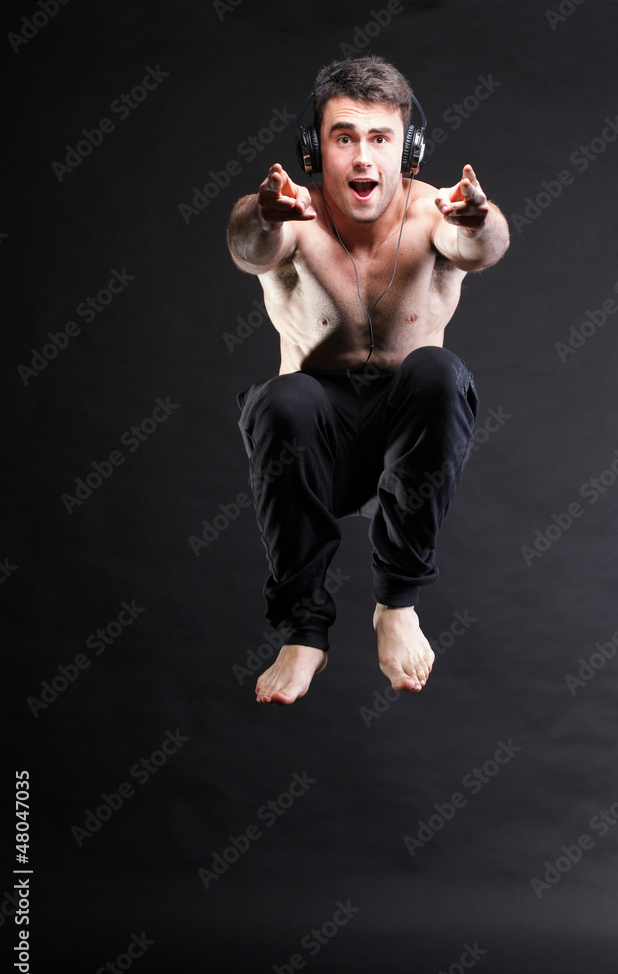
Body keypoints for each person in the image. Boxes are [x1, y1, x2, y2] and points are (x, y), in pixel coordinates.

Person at [227, 55, 509, 705]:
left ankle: (396, 605)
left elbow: (480, 244)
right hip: (311, 446)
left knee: (440, 371)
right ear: (314, 147)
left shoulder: (435, 212)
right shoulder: (290, 214)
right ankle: (303, 631)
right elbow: (250, 243)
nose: (362, 158)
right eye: (344, 138)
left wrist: (476, 219)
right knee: (283, 397)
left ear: (405, 148)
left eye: (379, 138)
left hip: (406, 444)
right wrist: (263, 215)